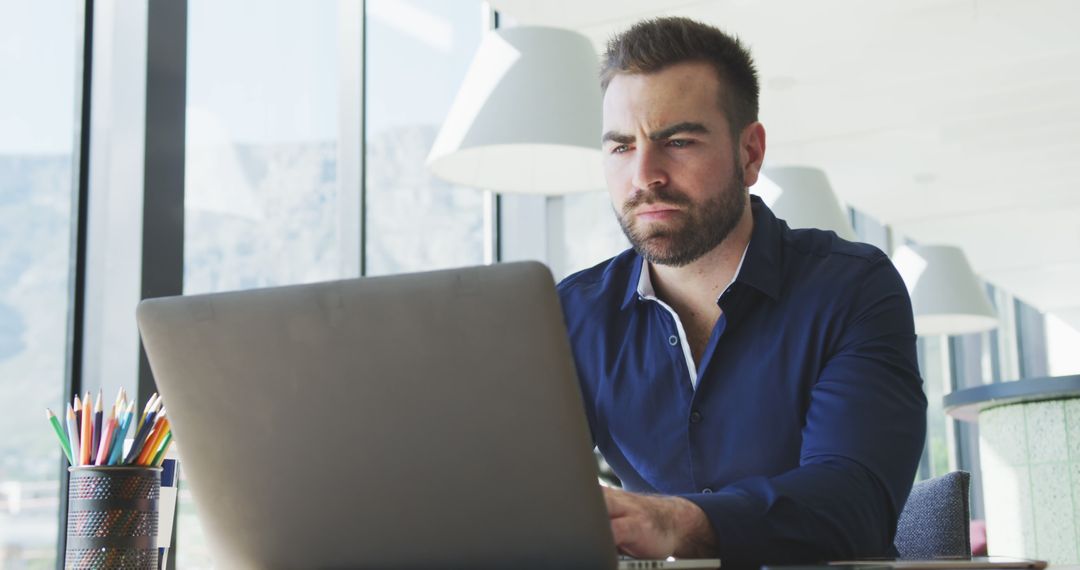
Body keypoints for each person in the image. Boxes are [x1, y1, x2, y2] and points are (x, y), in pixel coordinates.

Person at [557, 17, 928, 568]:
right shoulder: (572, 315)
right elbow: (517, 480)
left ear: (750, 153)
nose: (644, 175)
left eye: (677, 141)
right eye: (620, 148)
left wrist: (674, 522)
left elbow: (855, 502)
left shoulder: (853, 287)